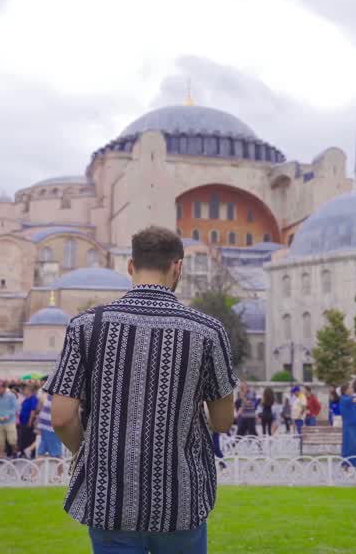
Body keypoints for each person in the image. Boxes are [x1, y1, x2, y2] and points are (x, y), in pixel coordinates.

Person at [44, 226, 235, 552]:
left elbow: (61, 418)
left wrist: (88, 452)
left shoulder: (87, 326)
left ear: (130, 266)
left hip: (110, 500)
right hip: (180, 500)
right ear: (178, 267)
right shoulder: (207, 331)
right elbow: (222, 421)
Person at [0, 382, 18, 457]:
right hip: (0, 422)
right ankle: (0, 457)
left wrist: (8, 415)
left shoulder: (11, 396)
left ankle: (15, 453)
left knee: (12, 440)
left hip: (10, 421)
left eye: (0, 388)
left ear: (4, 388)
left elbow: (15, 407)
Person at [34, 389, 63, 458]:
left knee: (43, 450)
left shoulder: (50, 394)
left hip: (44, 424)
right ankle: (33, 468)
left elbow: (40, 408)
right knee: (57, 453)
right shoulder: (58, 396)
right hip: (50, 426)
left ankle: (33, 469)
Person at [18, 383, 39, 457]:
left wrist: (30, 421)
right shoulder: (26, 399)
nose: (24, 391)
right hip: (23, 422)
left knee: (29, 438)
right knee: (23, 437)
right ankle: (23, 452)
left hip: (28, 422)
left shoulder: (33, 399)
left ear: (29, 391)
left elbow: (33, 411)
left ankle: (30, 452)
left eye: (25, 390)